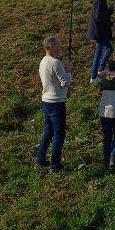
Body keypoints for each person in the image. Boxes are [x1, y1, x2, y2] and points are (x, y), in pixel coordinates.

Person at [36, 35, 72, 172]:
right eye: (57, 45)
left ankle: (40, 158)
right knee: (59, 133)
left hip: (46, 100)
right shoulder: (55, 63)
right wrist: (69, 71)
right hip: (57, 102)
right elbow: (65, 82)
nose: (60, 47)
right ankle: (54, 164)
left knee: (48, 131)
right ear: (50, 47)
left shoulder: (43, 61)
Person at [87, 0, 114, 83]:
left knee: (109, 49)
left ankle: (101, 68)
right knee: (98, 53)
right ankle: (93, 77)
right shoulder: (98, 1)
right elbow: (98, 17)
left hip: (103, 31)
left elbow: (104, 14)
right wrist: (111, 23)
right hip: (99, 31)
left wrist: (110, 9)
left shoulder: (102, 0)